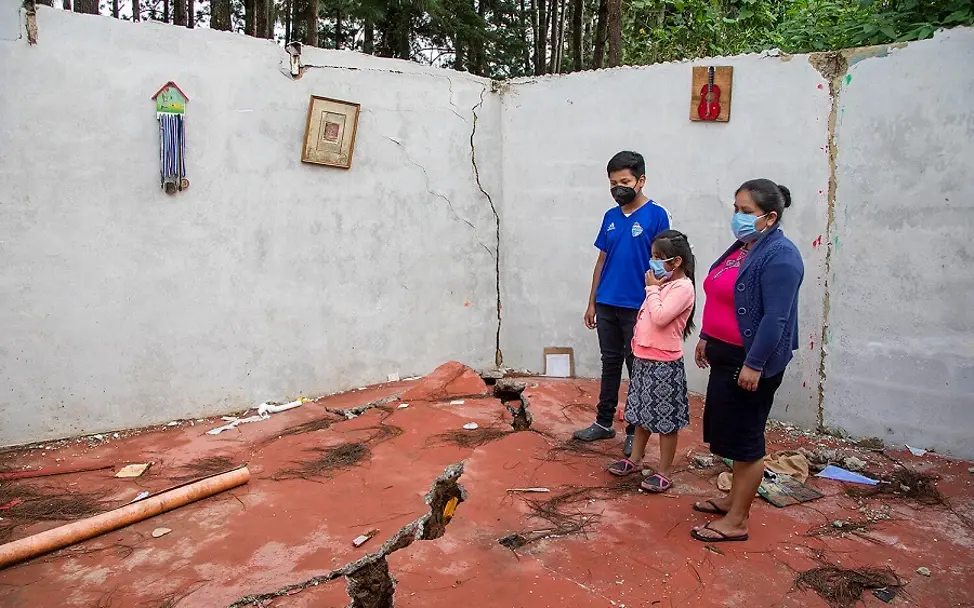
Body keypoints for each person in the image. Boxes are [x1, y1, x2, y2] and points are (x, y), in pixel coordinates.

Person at [690, 178, 804, 543]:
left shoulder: (781, 256)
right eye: (736, 209)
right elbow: (720, 292)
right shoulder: (743, 246)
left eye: (746, 212)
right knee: (730, 435)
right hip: (726, 357)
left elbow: (776, 318)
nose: (737, 217)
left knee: (746, 439)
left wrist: (755, 364)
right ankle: (731, 501)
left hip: (750, 362)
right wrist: (707, 336)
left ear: (770, 217)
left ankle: (738, 520)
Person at [574, 151, 672, 458]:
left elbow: (665, 264)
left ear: (640, 181)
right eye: (613, 182)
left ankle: (634, 430)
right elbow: (601, 260)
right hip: (607, 303)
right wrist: (592, 302)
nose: (619, 187)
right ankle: (604, 422)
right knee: (610, 362)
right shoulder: (610, 218)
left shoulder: (657, 215)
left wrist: (659, 303)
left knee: (637, 368)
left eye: (625, 181)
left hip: (638, 306)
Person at [606, 230, 696, 492]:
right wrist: (655, 289)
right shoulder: (665, 285)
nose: (653, 262)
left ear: (676, 262)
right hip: (644, 358)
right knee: (641, 414)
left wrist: (651, 290)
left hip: (664, 364)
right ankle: (635, 458)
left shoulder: (682, 288)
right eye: (652, 256)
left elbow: (659, 317)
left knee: (666, 421)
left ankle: (665, 471)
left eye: (658, 257)